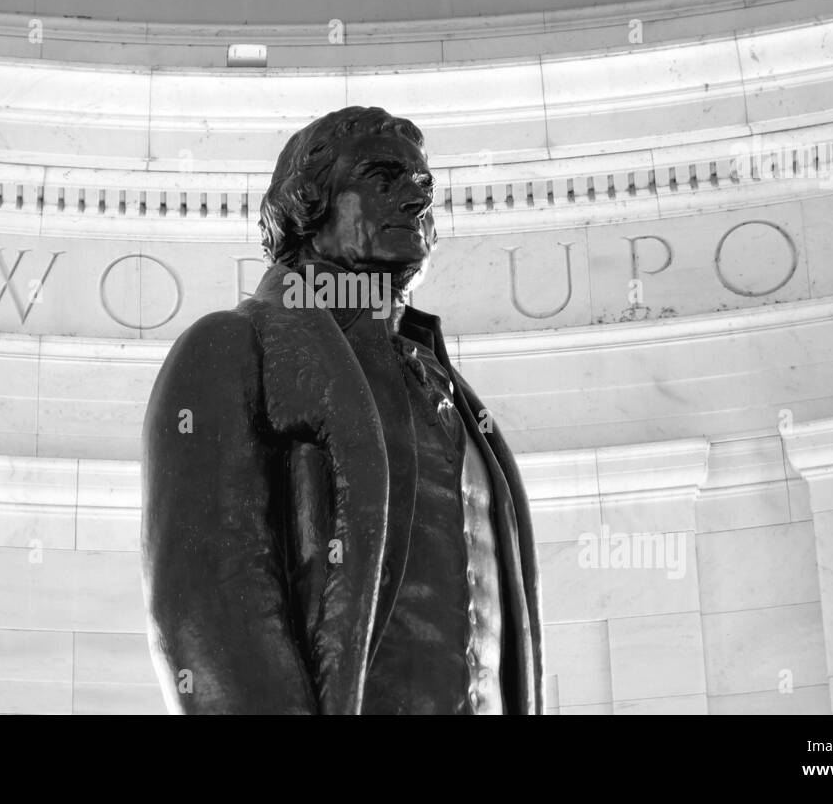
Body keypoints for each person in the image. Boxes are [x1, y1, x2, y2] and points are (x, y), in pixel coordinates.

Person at [141, 106, 543, 714]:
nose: (416, 200)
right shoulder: (235, 347)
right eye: (384, 177)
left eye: (424, 187)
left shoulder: (451, 391)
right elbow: (207, 604)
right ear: (307, 204)